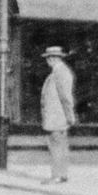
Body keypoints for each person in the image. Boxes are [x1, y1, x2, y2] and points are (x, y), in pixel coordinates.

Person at [39, 46, 77, 185]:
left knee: (56, 147)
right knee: (59, 146)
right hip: (56, 117)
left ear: (54, 58)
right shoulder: (57, 72)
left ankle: (57, 176)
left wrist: (69, 116)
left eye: (49, 58)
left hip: (57, 117)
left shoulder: (61, 73)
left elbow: (66, 97)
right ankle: (61, 174)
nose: (48, 61)